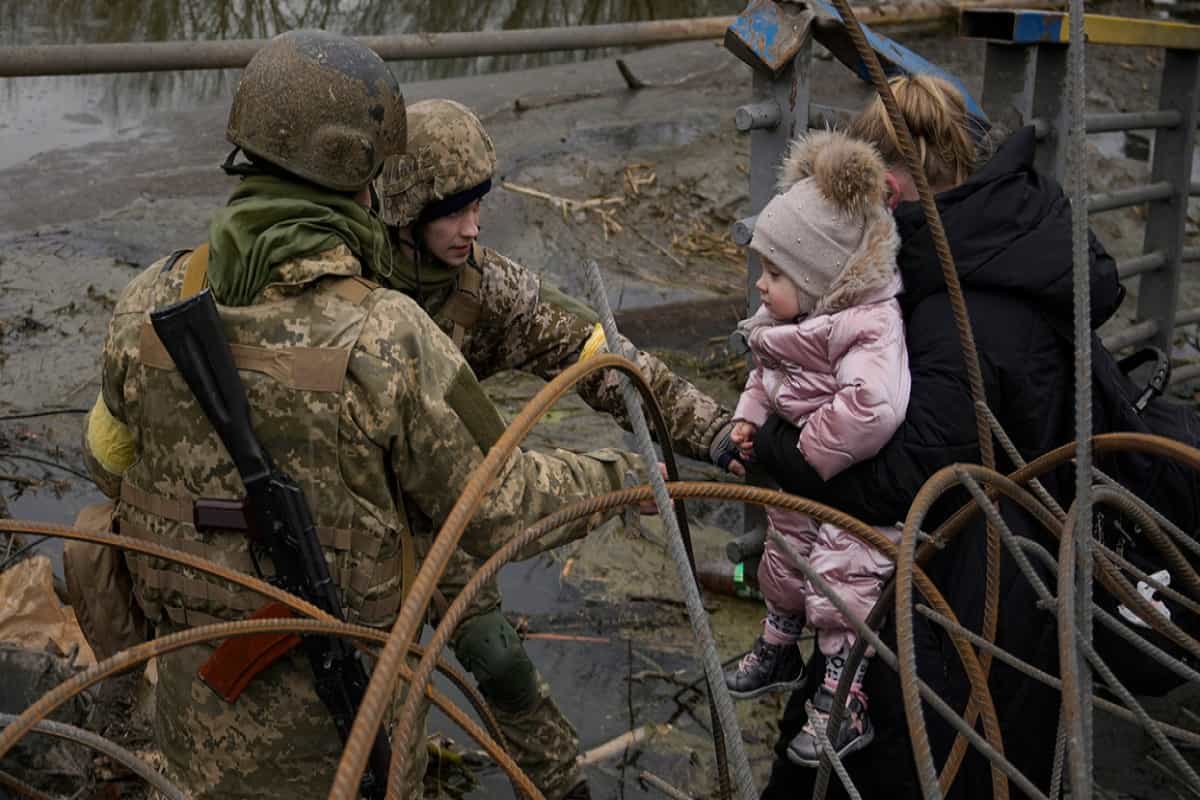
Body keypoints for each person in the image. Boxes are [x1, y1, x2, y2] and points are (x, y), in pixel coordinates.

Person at [78, 31, 647, 800]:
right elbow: (497, 508)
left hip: (190, 741)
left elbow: (107, 464)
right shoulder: (389, 333)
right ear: (360, 178)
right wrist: (627, 475)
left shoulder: (149, 299)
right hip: (349, 744)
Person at [753, 75, 1125, 798]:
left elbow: (910, 475)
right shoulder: (1007, 233)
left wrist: (775, 451)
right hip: (1030, 581)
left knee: (860, 769)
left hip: (962, 603)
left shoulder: (957, 306)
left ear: (888, 192)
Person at [369, 98, 738, 800]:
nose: (471, 229)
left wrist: (712, 432)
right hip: (348, 519)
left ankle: (560, 787)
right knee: (370, 704)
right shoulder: (350, 278)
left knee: (499, 659)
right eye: (451, 211)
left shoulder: (490, 289)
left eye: (479, 207)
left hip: (442, 510)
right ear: (403, 208)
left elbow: (601, 359)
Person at [721, 130, 910, 766]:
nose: (760, 287)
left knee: (840, 585)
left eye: (773, 274)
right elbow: (764, 377)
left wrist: (809, 452)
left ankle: (842, 697)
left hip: (849, 497)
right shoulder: (790, 321)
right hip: (803, 490)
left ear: (821, 277)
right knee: (782, 557)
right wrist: (749, 420)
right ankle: (778, 646)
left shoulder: (868, 327)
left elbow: (874, 406)